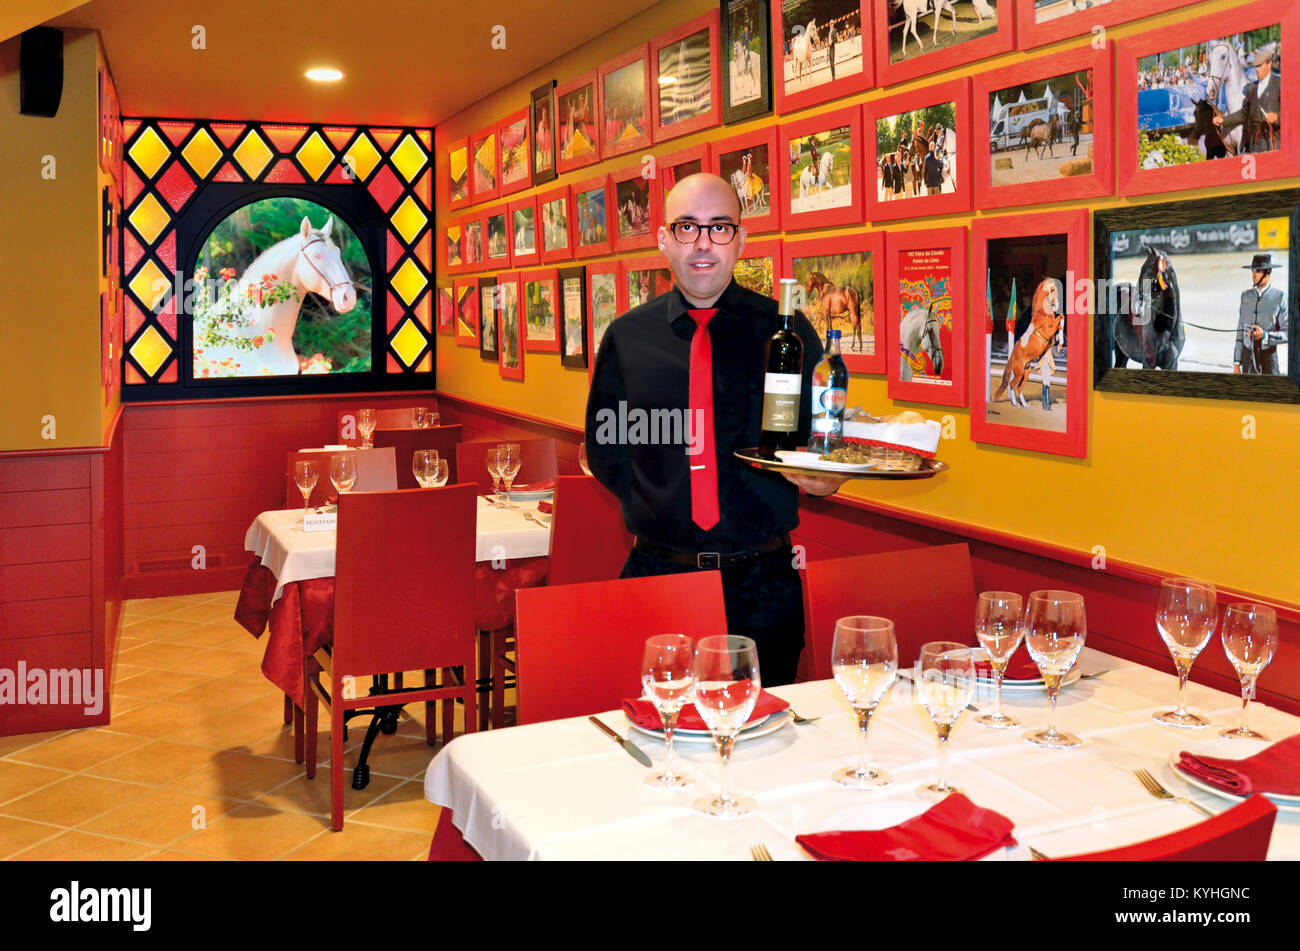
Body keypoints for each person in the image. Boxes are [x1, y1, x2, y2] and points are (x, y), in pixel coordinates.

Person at [584, 174, 847, 686]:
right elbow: (606, 454)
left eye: (719, 228)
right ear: (663, 240)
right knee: (656, 742)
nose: (703, 244)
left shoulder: (787, 333)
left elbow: (824, 444)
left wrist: (826, 477)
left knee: (760, 747)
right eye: (687, 228)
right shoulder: (625, 338)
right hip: (657, 578)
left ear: (741, 241)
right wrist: (665, 507)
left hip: (763, 587)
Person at [1215, 46, 1281, 153]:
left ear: (1269, 64)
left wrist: (1277, 116)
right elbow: (1243, 114)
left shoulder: (1280, 85)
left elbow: (1292, 112)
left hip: (1275, 144)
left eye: (1259, 66)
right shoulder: (1251, 89)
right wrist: (1224, 120)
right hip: (1254, 145)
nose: (1257, 70)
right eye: (1255, 66)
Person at [1233, 252, 1288, 375]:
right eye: (1252, 270)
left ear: (1267, 273)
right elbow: (1240, 331)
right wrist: (1236, 363)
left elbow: (1289, 334)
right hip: (1247, 358)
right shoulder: (1245, 296)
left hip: (1269, 357)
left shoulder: (1280, 297)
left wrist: (1264, 336)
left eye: (1258, 271)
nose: (1254, 275)